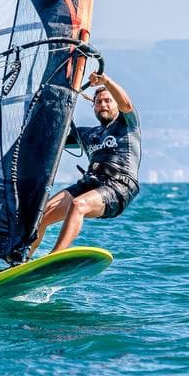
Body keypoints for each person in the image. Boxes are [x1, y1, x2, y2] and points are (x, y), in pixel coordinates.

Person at [32, 72, 141, 256]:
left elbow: (127, 105)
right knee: (41, 214)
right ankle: (21, 262)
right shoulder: (89, 134)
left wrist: (105, 81)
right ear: (93, 106)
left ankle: (54, 257)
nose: (103, 105)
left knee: (78, 205)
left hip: (118, 187)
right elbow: (50, 136)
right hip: (89, 184)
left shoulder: (127, 125)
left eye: (108, 101)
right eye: (99, 102)